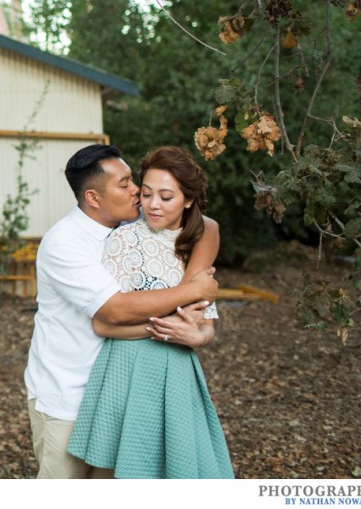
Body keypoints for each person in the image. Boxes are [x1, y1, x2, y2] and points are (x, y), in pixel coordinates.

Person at [24, 144, 219, 479]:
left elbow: (207, 225)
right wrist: (193, 291)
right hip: (69, 393)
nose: (137, 193)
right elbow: (114, 311)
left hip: (120, 389)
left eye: (135, 183)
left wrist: (197, 327)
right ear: (93, 198)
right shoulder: (66, 243)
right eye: (126, 184)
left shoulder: (137, 219)